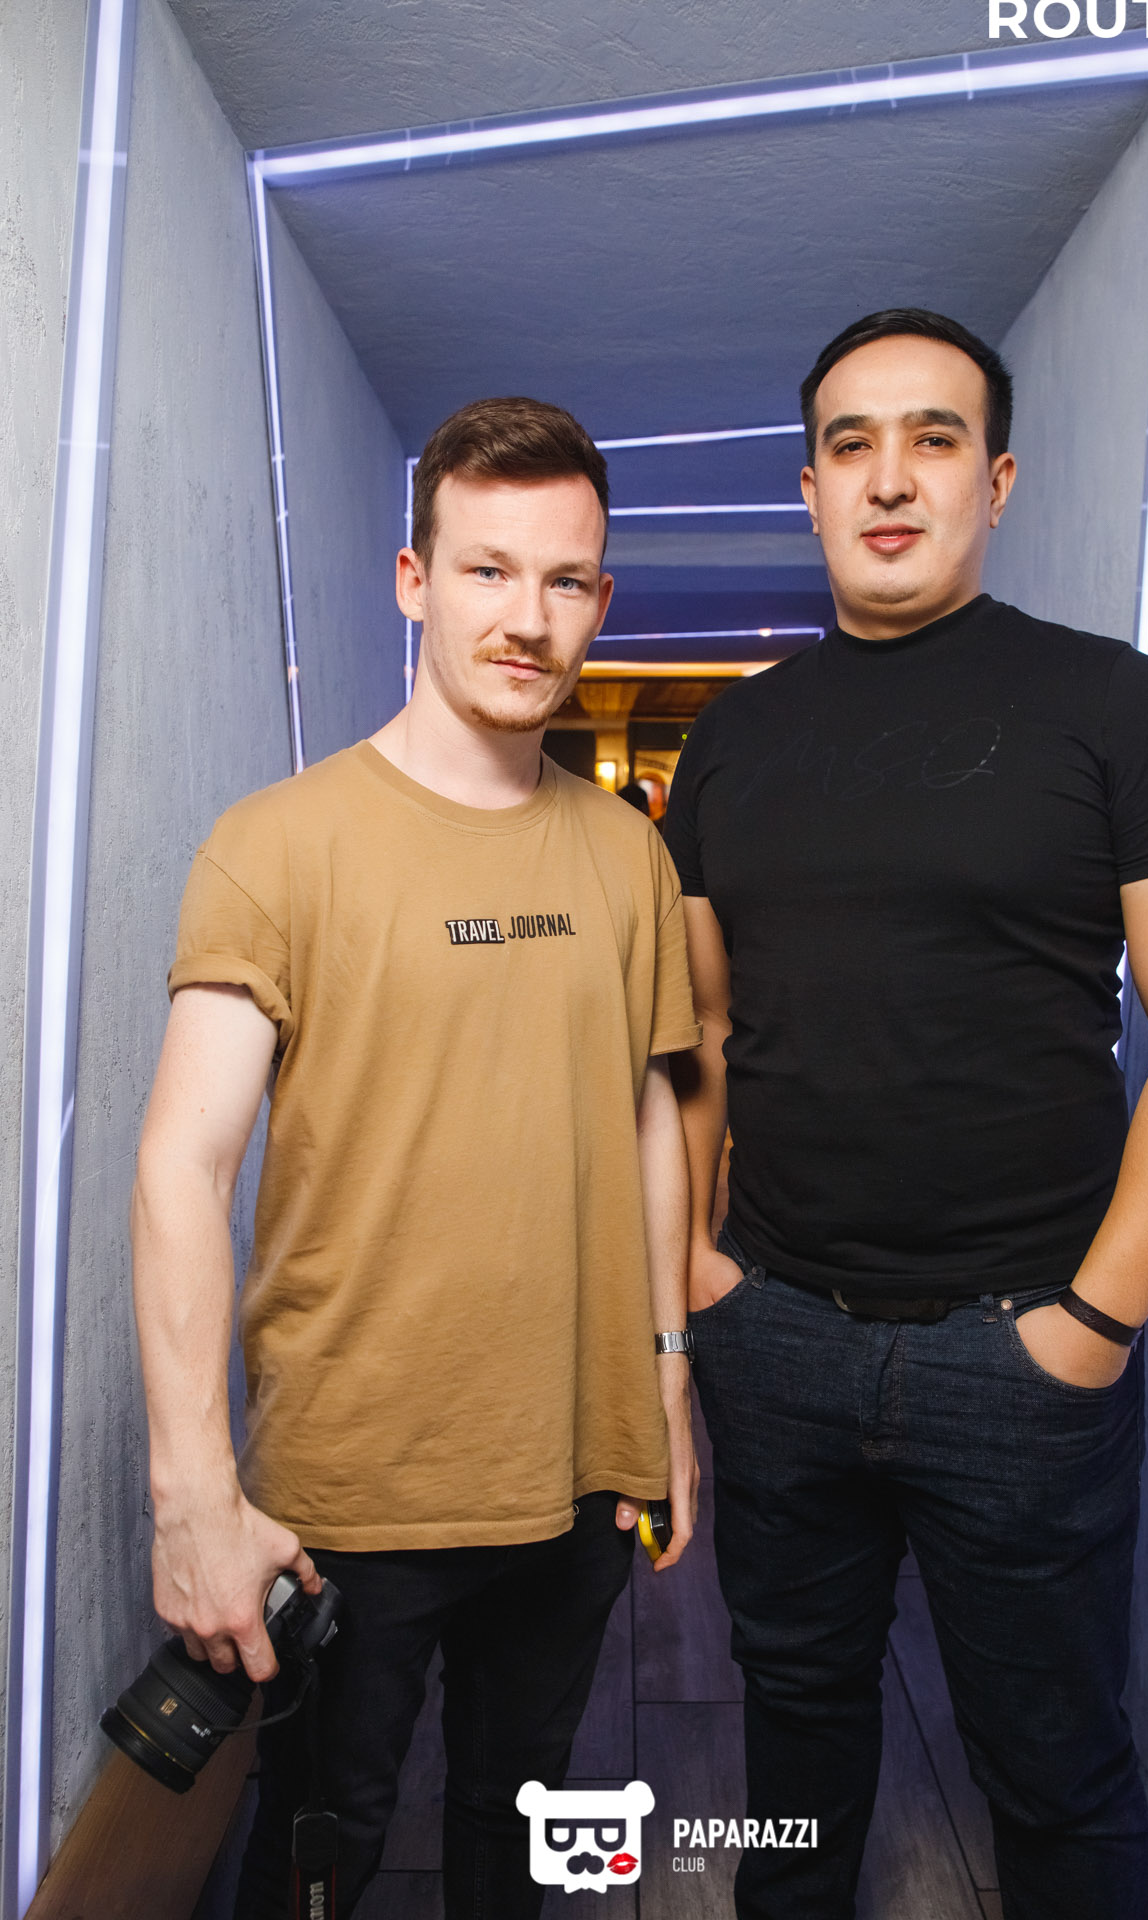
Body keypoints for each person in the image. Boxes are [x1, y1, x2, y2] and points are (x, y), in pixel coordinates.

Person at [663, 308, 1148, 1920]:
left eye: (931, 439)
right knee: (795, 1726)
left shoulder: (1121, 711)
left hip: (1021, 1352)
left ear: (993, 481)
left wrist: (1094, 1322)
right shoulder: (730, 740)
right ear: (809, 489)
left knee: (1054, 1768)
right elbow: (700, 1027)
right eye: (850, 444)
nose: (889, 478)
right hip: (774, 1333)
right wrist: (701, 1279)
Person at [131, 396, 701, 1918]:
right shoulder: (277, 843)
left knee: (518, 1827)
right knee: (320, 1848)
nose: (527, 617)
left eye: (564, 579)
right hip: (350, 1496)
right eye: (486, 570)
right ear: (413, 580)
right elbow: (182, 1165)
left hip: (576, 1475)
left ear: (600, 601)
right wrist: (193, 1499)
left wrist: (666, 1383)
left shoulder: (626, 855)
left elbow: (647, 1115)